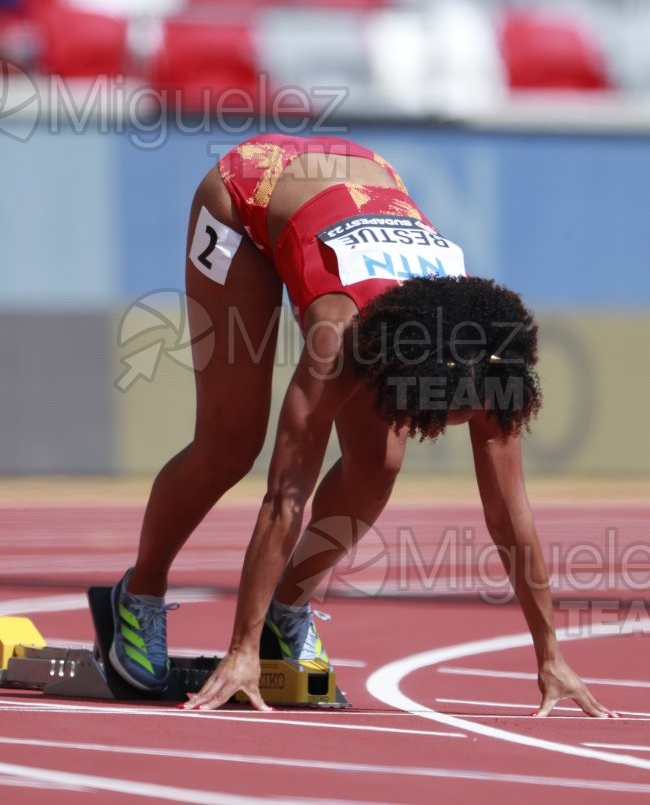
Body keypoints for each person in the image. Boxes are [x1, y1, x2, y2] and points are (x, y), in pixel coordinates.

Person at [109, 133, 612, 718]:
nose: (459, 426)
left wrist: (549, 652)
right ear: (400, 370)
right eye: (449, 415)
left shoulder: (491, 355)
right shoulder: (339, 334)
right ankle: (140, 592)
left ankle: (286, 611)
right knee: (231, 444)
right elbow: (284, 496)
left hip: (362, 179)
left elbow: (510, 512)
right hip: (247, 197)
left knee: (380, 463)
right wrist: (239, 651)